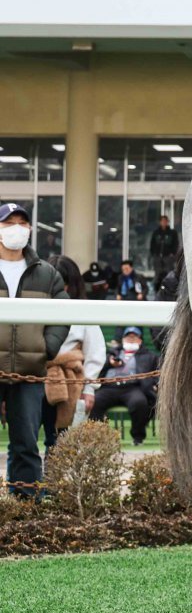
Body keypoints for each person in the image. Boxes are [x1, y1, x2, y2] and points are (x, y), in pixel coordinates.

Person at [0, 203, 68, 496]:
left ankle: (26, 502)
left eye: (22, 222)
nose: (17, 228)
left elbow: (63, 315)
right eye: (9, 222)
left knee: (26, 442)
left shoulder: (47, 273)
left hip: (30, 371)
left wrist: (47, 348)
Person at [42, 256, 105, 452]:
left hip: (72, 382)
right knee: (27, 438)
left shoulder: (83, 311)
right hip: (38, 377)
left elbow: (95, 351)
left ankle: (57, 477)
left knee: (63, 439)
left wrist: (89, 388)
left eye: (65, 283)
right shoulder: (35, 308)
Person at [89, 327, 159, 446]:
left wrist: (155, 385)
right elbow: (98, 370)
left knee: (139, 403)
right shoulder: (112, 353)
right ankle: (98, 437)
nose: (131, 339)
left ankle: (138, 437)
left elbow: (156, 373)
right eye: (128, 337)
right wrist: (110, 363)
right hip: (109, 387)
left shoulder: (149, 356)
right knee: (95, 402)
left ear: (140, 340)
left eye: (134, 337)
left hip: (133, 388)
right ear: (123, 339)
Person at [149, 214, 180, 290]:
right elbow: (152, 244)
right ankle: (157, 290)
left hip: (168, 258)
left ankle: (169, 290)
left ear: (167, 222)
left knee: (169, 274)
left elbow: (176, 244)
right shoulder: (156, 232)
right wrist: (153, 253)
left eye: (165, 221)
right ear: (160, 222)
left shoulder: (172, 233)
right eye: (162, 221)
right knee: (157, 275)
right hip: (157, 258)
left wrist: (172, 254)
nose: (164, 222)